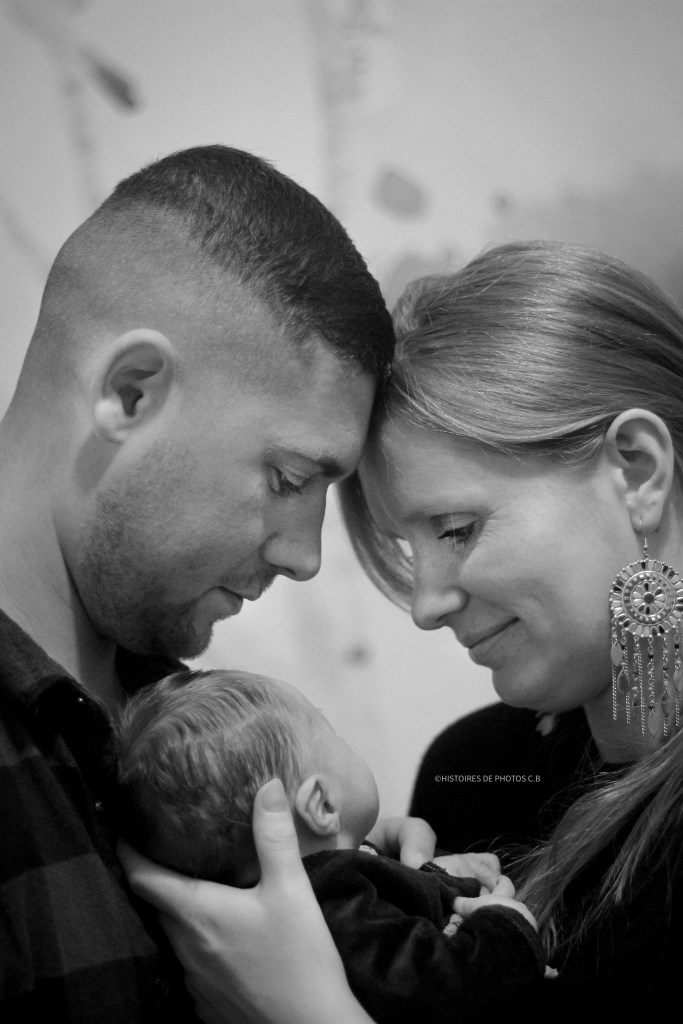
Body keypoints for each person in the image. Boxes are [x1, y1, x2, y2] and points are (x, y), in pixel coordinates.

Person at [0, 142, 409, 1023]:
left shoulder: (201, 733)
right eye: (289, 478)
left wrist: (371, 902)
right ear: (132, 394)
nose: (305, 556)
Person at [335, 239, 683, 1018]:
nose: (425, 605)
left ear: (636, 471)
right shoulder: (472, 773)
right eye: (405, 548)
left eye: (455, 529)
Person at [115, 668, 546, 1024]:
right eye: (336, 736)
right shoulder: (335, 905)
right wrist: (502, 929)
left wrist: (442, 878)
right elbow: (433, 984)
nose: (347, 744)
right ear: (322, 804)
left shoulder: (321, 888)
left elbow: (400, 913)